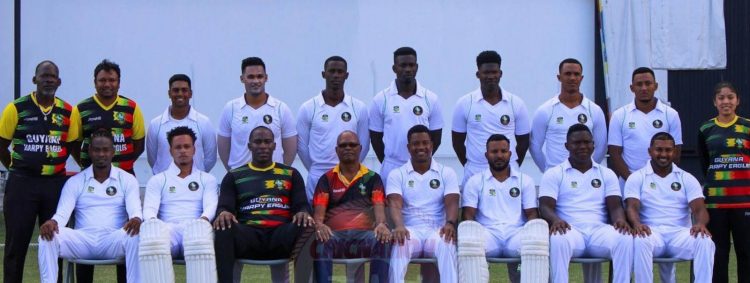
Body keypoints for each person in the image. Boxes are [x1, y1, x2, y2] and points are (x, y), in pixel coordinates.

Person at [0, 60, 78, 282]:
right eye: (44, 76)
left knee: (54, 243)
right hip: (22, 184)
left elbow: (73, 148)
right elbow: (1, 145)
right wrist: (16, 168)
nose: (48, 80)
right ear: (34, 79)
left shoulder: (68, 112)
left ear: (59, 81)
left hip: (54, 185)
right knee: (16, 245)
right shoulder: (16, 108)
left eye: (52, 76)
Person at [608, 67, 684, 282]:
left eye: (647, 83)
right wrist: (634, 179)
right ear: (631, 88)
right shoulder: (620, 115)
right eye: (639, 84)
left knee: (658, 236)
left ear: (655, 86)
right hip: (628, 185)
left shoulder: (670, 114)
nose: (643, 88)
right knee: (626, 238)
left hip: (661, 186)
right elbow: (615, 152)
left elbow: (675, 152)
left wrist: (656, 178)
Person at [37, 129, 142, 283]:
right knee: (47, 236)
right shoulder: (75, 181)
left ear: (113, 152)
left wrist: (136, 218)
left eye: (106, 150)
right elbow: (62, 214)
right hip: (83, 241)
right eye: (97, 150)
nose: (101, 154)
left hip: (113, 240)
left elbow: (135, 209)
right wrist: (52, 222)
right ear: (90, 152)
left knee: (136, 235)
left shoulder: (127, 180)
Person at [213, 126, 312, 283]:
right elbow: (225, 206)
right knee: (223, 226)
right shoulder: (234, 176)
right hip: (248, 236)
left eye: (267, 142)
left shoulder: (291, 174)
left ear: (274, 145)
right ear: (249, 146)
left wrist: (303, 212)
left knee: (307, 224)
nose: (263, 146)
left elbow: (301, 205)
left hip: (281, 236)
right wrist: (224, 212)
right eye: (258, 142)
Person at [538, 124, 633, 283]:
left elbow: (615, 206)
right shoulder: (554, 173)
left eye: (587, 142)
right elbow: (545, 206)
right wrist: (556, 220)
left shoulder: (606, 173)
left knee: (624, 238)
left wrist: (620, 220)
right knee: (558, 238)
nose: (583, 146)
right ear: (567, 146)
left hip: (599, 231)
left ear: (593, 145)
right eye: (577, 143)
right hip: (570, 230)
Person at [626, 132, 714, 283]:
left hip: (680, 235)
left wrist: (700, 224)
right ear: (650, 151)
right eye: (659, 149)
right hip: (652, 234)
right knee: (640, 240)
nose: (663, 154)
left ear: (674, 152)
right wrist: (637, 224)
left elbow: (699, 209)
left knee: (705, 240)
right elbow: (632, 207)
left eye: (668, 150)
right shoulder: (637, 177)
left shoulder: (686, 178)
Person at [140, 126, 219, 282]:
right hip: (168, 230)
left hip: (197, 228)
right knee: (152, 237)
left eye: (186, 146)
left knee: (199, 235)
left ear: (194, 149)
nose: (182, 151)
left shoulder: (207, 179)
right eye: (178, 147)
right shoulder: (158, 180)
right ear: (170, 151)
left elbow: (211, 205)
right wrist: (152, 223)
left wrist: (202, 221)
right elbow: (149, 208)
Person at [311, 131, 389, 283]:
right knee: (320, 241)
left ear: (360, 148)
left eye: (352, 145)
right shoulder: (327, 179)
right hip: (335, 237)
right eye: (343, 145)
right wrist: (319, 225)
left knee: (384, 240)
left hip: (364, 236)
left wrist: (381, 224)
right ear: (337, 150)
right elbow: (319, 213)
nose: (348, 148)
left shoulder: (373, 178)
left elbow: (379, 206)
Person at [459, 134, 538, 283]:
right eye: (494, 152)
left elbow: (532, 214)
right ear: (487, 155)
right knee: (470, 243)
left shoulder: (525, 181)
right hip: (487, 234)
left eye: (503, 151)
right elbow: (468, 216)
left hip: (516, 234)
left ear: (510, 154)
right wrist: (473, 234)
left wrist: (530, 234)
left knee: (534, 243)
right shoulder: (475, 181)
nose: (499, 155)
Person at [387, 125, 459, 283]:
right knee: (400, 243)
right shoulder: (397, 174)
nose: (421, 147)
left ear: (432, 145)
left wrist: (450, 223)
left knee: (447, 243)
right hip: (411, 231)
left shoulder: (446, 172)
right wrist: (399, 225)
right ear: (408, 147)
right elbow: (394, 203)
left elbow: (452, 202)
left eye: (425, 143)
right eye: (415, 143)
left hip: (437, 231)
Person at [697, 81, 750, 283]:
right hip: (716, 204)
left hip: (745, 203)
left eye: (730, 97)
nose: (726, 101)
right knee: (719, 255)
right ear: (714, 102)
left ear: (737, 101)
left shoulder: (747, 126)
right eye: (721, 98)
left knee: (746, 253)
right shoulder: (705, 128)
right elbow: (705, 164)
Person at [452, 51, 531, 185]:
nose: (490, 77)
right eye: (486, 73)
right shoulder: (464, 103)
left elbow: (523, 142)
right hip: (475, 171)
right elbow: (457, 142)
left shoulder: (516, 103)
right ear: (478, 74)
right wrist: (470, 164)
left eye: (494, 72)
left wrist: (511, 164)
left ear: (500, 73)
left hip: (508, 171)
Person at [297, 56, 369, 201]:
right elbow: (302, 146)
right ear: (324, 74)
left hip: (349, 175)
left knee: (345, 219)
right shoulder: (308, 107)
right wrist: (315, 168)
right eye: (332, 71)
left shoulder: (359, 107)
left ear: (346, 75)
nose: (336, 75)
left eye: (340, 72)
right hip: (318, 174)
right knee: (317, 220)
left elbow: (364, 145)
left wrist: (348, 167)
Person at [369, 47, 444, 185]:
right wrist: (389, 160)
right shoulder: (381, 99)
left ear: (417, 67)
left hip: (421, 167)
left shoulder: (431, 99)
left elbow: (436, 137)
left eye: (411, 65)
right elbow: (375, 138)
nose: (408, 69)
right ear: (394, 68)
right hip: (392, 166)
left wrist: (421, 159)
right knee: (392, 207)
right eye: (403, 65)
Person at [218, 57, 297, 170]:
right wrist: (234, 172)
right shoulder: (230, 109)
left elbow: (291, 150)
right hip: (241, 178)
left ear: (266, 78)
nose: (255, 81)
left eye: (259, 76)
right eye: (250, 77)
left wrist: (279, 172)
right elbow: (223, 149)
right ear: (242, 79)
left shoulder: (281, 109)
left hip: (272, 178)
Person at [530, 58, 607, 172]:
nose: (572, 78)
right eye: (567, 74)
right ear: (559, 77)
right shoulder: (545, 110)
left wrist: (588, 170)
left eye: (576, 74)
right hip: (555, 178)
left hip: (585, 176)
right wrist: (548, 170)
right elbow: (534, 146)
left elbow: (601, 147)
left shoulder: (594, 110)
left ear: (581, 78)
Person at [70, 59, 146, 175]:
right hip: (90, 176)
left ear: (119, 83)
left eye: (112, 80)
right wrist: (86, 165)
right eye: (102, 80)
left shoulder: (132, 107)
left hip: (124, 176)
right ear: (95, 82)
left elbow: (139, 146)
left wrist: (124, 164)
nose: (107, 84)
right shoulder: (80, 109)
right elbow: (74, 147)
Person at [146, 74, 217, 174]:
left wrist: (195, 175)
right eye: (175, 90)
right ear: (169, 93)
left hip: (195, 185)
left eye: (184, 90)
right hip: (164, 185)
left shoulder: (204, 122)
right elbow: (152, 159)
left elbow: (210, 158)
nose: (180, 94)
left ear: (190, 93)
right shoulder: (155, 124)